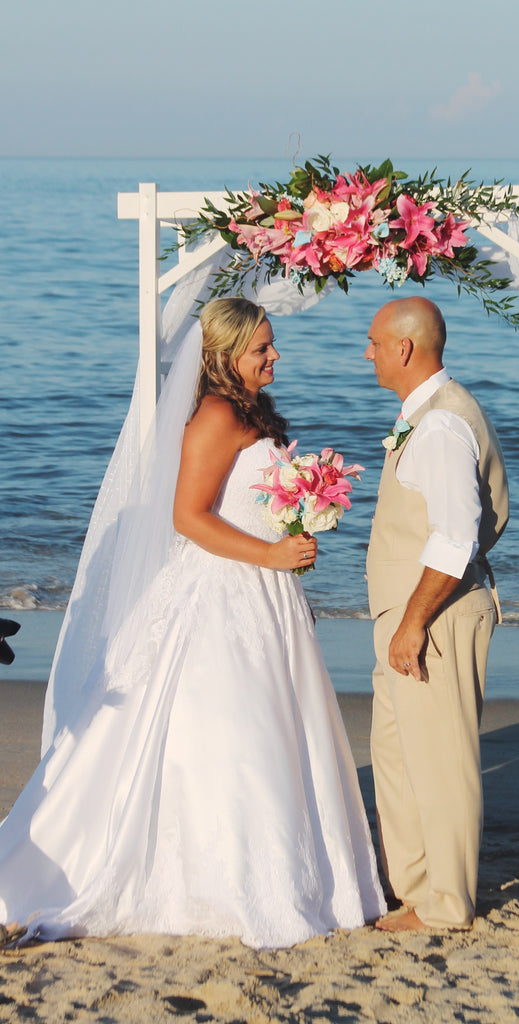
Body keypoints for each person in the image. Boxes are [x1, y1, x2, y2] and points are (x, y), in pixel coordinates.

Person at [0, 297, 385, 949]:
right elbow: (188, 517)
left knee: (277, 729)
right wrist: (269, 551)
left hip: (266, 592)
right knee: (233, 732)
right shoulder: (214, 414)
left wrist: (294, 527)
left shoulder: (248, 412)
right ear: (224, 355)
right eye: (262, 348)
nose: (275, 356)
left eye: (271, 344)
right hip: (224, 593)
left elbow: (244, 500)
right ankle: (223, 884)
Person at [364, 296, 508, 933]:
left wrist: (415, 620)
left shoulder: (442, 426)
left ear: (403, 348)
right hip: (416, 610)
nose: (367, 353)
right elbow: (490, 520)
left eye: (373, 342)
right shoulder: (428, 415)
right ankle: (418, 892)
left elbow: (457, 535)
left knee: (441, 762)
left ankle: (446, 904)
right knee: (399, 757)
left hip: (434, 615)